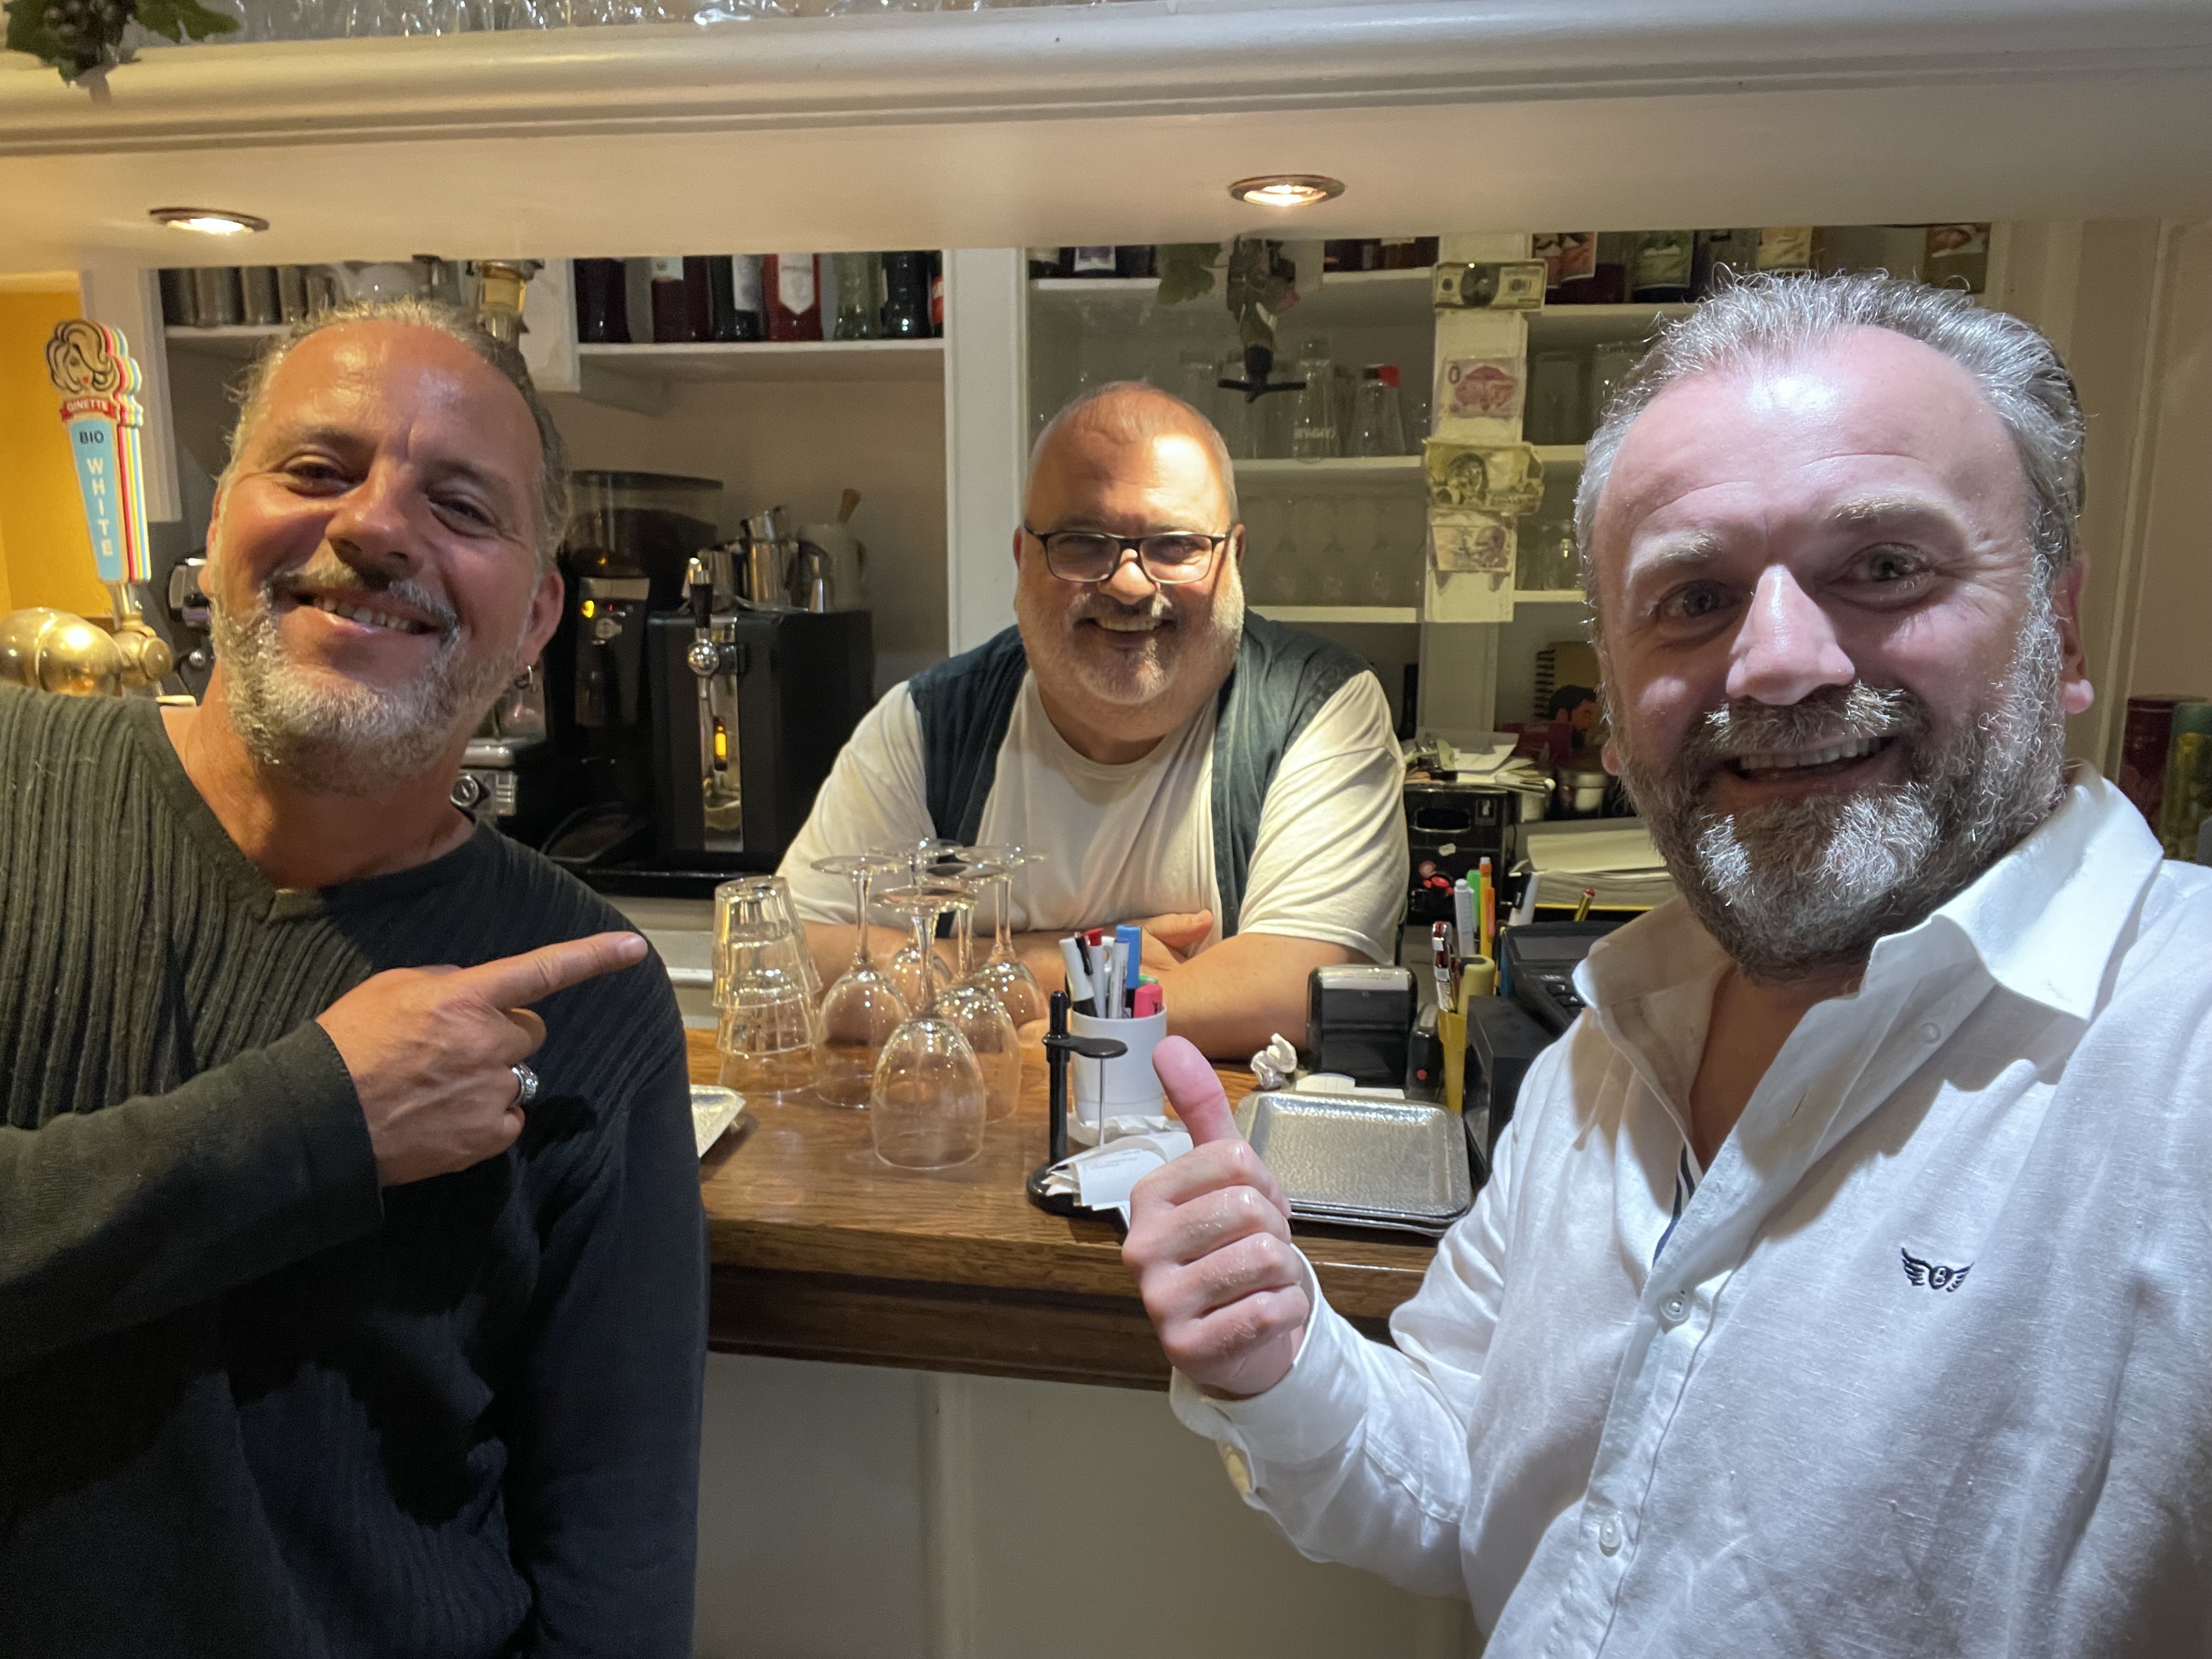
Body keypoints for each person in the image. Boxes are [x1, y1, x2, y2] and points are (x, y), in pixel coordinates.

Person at [1123, 273, 2212, 1654]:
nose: (1778, 663)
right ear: (1614, 691)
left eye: (1885, 567)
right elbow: (1466, 1482)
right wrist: (1283, 1358)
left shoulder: (2179, 1053)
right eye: (1694, 598)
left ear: (2061, 626)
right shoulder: (1610, 1042)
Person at [0, 299, 706, 1657]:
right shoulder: (16, 789)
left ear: (538, 617)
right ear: (217, 528)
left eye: (462, 507)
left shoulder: (585, 999)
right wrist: (318, 1121)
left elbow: (615, 1552)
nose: (377, 526)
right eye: (317, 468)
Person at [779, 382, 1408, 1059]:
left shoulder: (1319, 709)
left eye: (1175, 545)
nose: (1130, 585)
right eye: (1082, 543)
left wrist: (974, 982)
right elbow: (786, 958)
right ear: (1023, 559)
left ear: (1234, 558)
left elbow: (1298, 987)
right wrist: (1054, 964)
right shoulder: (928, 723)